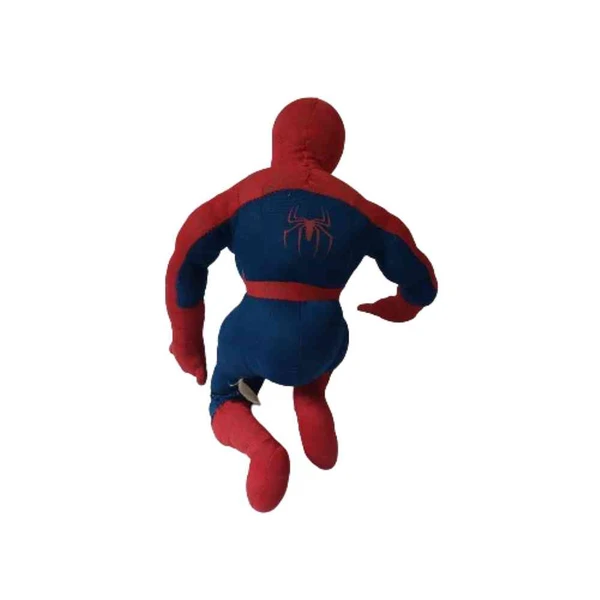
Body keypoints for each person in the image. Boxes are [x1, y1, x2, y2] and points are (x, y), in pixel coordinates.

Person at [166, 98, 437, 511]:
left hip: (253, 335)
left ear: (277, 141)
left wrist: (187, 346)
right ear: (336, 150)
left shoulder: (244, 194)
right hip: (322, 339)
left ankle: (263, 451)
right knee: (319, 358)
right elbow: (422, 282)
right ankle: (311, 398)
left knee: (226, 396)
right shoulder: (361, 208)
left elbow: (186, 258)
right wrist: (398, 307)